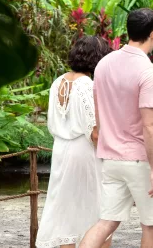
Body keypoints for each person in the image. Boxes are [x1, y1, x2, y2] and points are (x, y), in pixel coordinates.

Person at [80, 8, 153, 248]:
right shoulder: (149, 71)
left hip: (111, 158)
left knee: (106, 223)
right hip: (140, 160)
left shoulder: (103, 64)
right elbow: (151, 125)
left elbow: (99, 114)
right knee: (151, 226)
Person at [36, 36, 113, 248]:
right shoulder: (87, 85)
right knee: (98, 210)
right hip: (84, 152)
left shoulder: (57, 82)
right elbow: (95, 132)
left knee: (66, 211)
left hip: (61, 150)